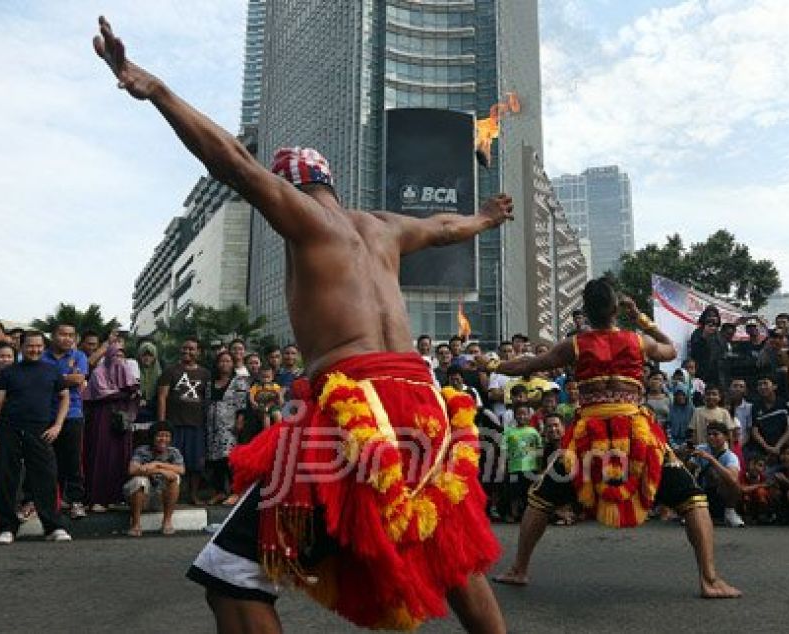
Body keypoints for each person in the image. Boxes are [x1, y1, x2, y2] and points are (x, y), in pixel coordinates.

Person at [95, 17, 507, 631]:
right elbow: (446, 228)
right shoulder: (386, 228)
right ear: (333, 184)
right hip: (422, 403)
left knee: (227, 576)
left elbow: (232, 162)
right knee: (448, 549)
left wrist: (158, 91)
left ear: (287, 187)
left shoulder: (306, 221)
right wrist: (484, 218)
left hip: (356, 407)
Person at [488, 278, 740, 598]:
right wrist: (641, 320)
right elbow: (671, 349)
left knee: (541, 498)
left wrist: (494, 363)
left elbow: (529, 364)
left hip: (588, 439)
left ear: (587, 311)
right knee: (692, 499)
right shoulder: (637, 340)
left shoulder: (574, 345)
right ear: (615, 309)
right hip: (637, 436)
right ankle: (709, 579)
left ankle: (519, 569)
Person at [0, 331, 72, 544]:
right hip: (9, 430)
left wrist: (58, 425)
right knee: (7, 478)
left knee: (46, 477)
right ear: (21, 347)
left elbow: (65, 398)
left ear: (44, 347)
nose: (35, 350)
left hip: (40, 430)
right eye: (30, 346)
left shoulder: (52, 371)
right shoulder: (9, 372)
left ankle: (53, 527)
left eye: (39, 346)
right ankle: (7, 528)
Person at [82, 336, 139, 512]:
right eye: (114, 355)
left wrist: (131, 394)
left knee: (120, 458)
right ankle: (97, 499)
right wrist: (125, 393)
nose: (118, 359)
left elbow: (135, 392)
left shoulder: (127, 371)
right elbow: (101, 394)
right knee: (101, 457)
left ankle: (117, 497)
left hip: (122, 422)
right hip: (102, 421)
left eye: (121, 355)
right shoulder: (99, 373)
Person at [43, 323, 90, 519]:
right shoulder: (41, 355)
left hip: (72, 414)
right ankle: (48, 501)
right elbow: (38, 380)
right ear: (53, 336)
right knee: (46, 460)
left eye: (71, 335)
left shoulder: (79, 356)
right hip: (45, 415)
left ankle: (76, 501)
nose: (67, 338)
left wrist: (52, 378)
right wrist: (65, 378)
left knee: (73, 460)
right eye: (63, 334)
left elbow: (79, 379)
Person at [157, 337, 211, 506]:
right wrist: (161, 424)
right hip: (174, 425)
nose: (187, 351)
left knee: (195, 464)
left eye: (191, 349)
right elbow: (162, 397)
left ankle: (193, 495)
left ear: (198, 352)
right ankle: (171, 496)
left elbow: (207, 398)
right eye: (184, 348)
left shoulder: (205, 373)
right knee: (171, 461)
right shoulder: (170, 371)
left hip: (197, 425)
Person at [124, 421, 186, 537]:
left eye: (167, 436)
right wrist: (159, 471)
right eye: (160, 435)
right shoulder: (142, 450)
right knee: (139, 481)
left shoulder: (174, 452)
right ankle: (136, 524)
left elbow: (181, 470)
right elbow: (132, 470)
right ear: (153, 437)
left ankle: (167, 522)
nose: (163, 439)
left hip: (161, 497)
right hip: (142, 497)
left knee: (174, 478)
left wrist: (158, 465)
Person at [205, 351, 248, 506]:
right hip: (212, 426)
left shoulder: (238, 381)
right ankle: (220, 492)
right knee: (215, 460)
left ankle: (235, 492)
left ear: (232, 363)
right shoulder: (211, 382)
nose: (225, 364)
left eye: (228, 361)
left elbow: (242, 404)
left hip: (229, 424)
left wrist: (240, 420)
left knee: (228, 459)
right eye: (221, 361)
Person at [689, 421, 744, 527]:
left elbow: (732, 479)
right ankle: (690, 512)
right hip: (701, 490)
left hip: (720, 493)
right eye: (709, 434)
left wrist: (711, 459)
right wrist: (688, 458)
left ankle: (730, 512)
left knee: (735, 484)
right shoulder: (701, 449)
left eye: (715, 434)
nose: (711, 437)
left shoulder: (730, 456)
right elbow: (688, 470)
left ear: (726, 436)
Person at [501, 404, 542, 523]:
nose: (522, 416)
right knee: (514, 493)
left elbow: (539, 450)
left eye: (525, 414)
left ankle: (528, 515)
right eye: (519, 414)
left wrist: (540, 468)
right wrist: (502, 467)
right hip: (514, 468)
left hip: (531, 468)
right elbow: (504, 451)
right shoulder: (508, 432)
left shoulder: (534, 432)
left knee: (529, 493)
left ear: (529, 415)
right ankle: (514, 513)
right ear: (514, 416)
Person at [749, 375, 789, 463]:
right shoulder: (755, 407)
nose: (762, 387)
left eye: (765, 383)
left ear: (774, 386)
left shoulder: (786, 404)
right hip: (764, 450)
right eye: (759, 385)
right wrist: (766, 447)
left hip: (784, 449)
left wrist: (777, 447)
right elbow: (755, 431)